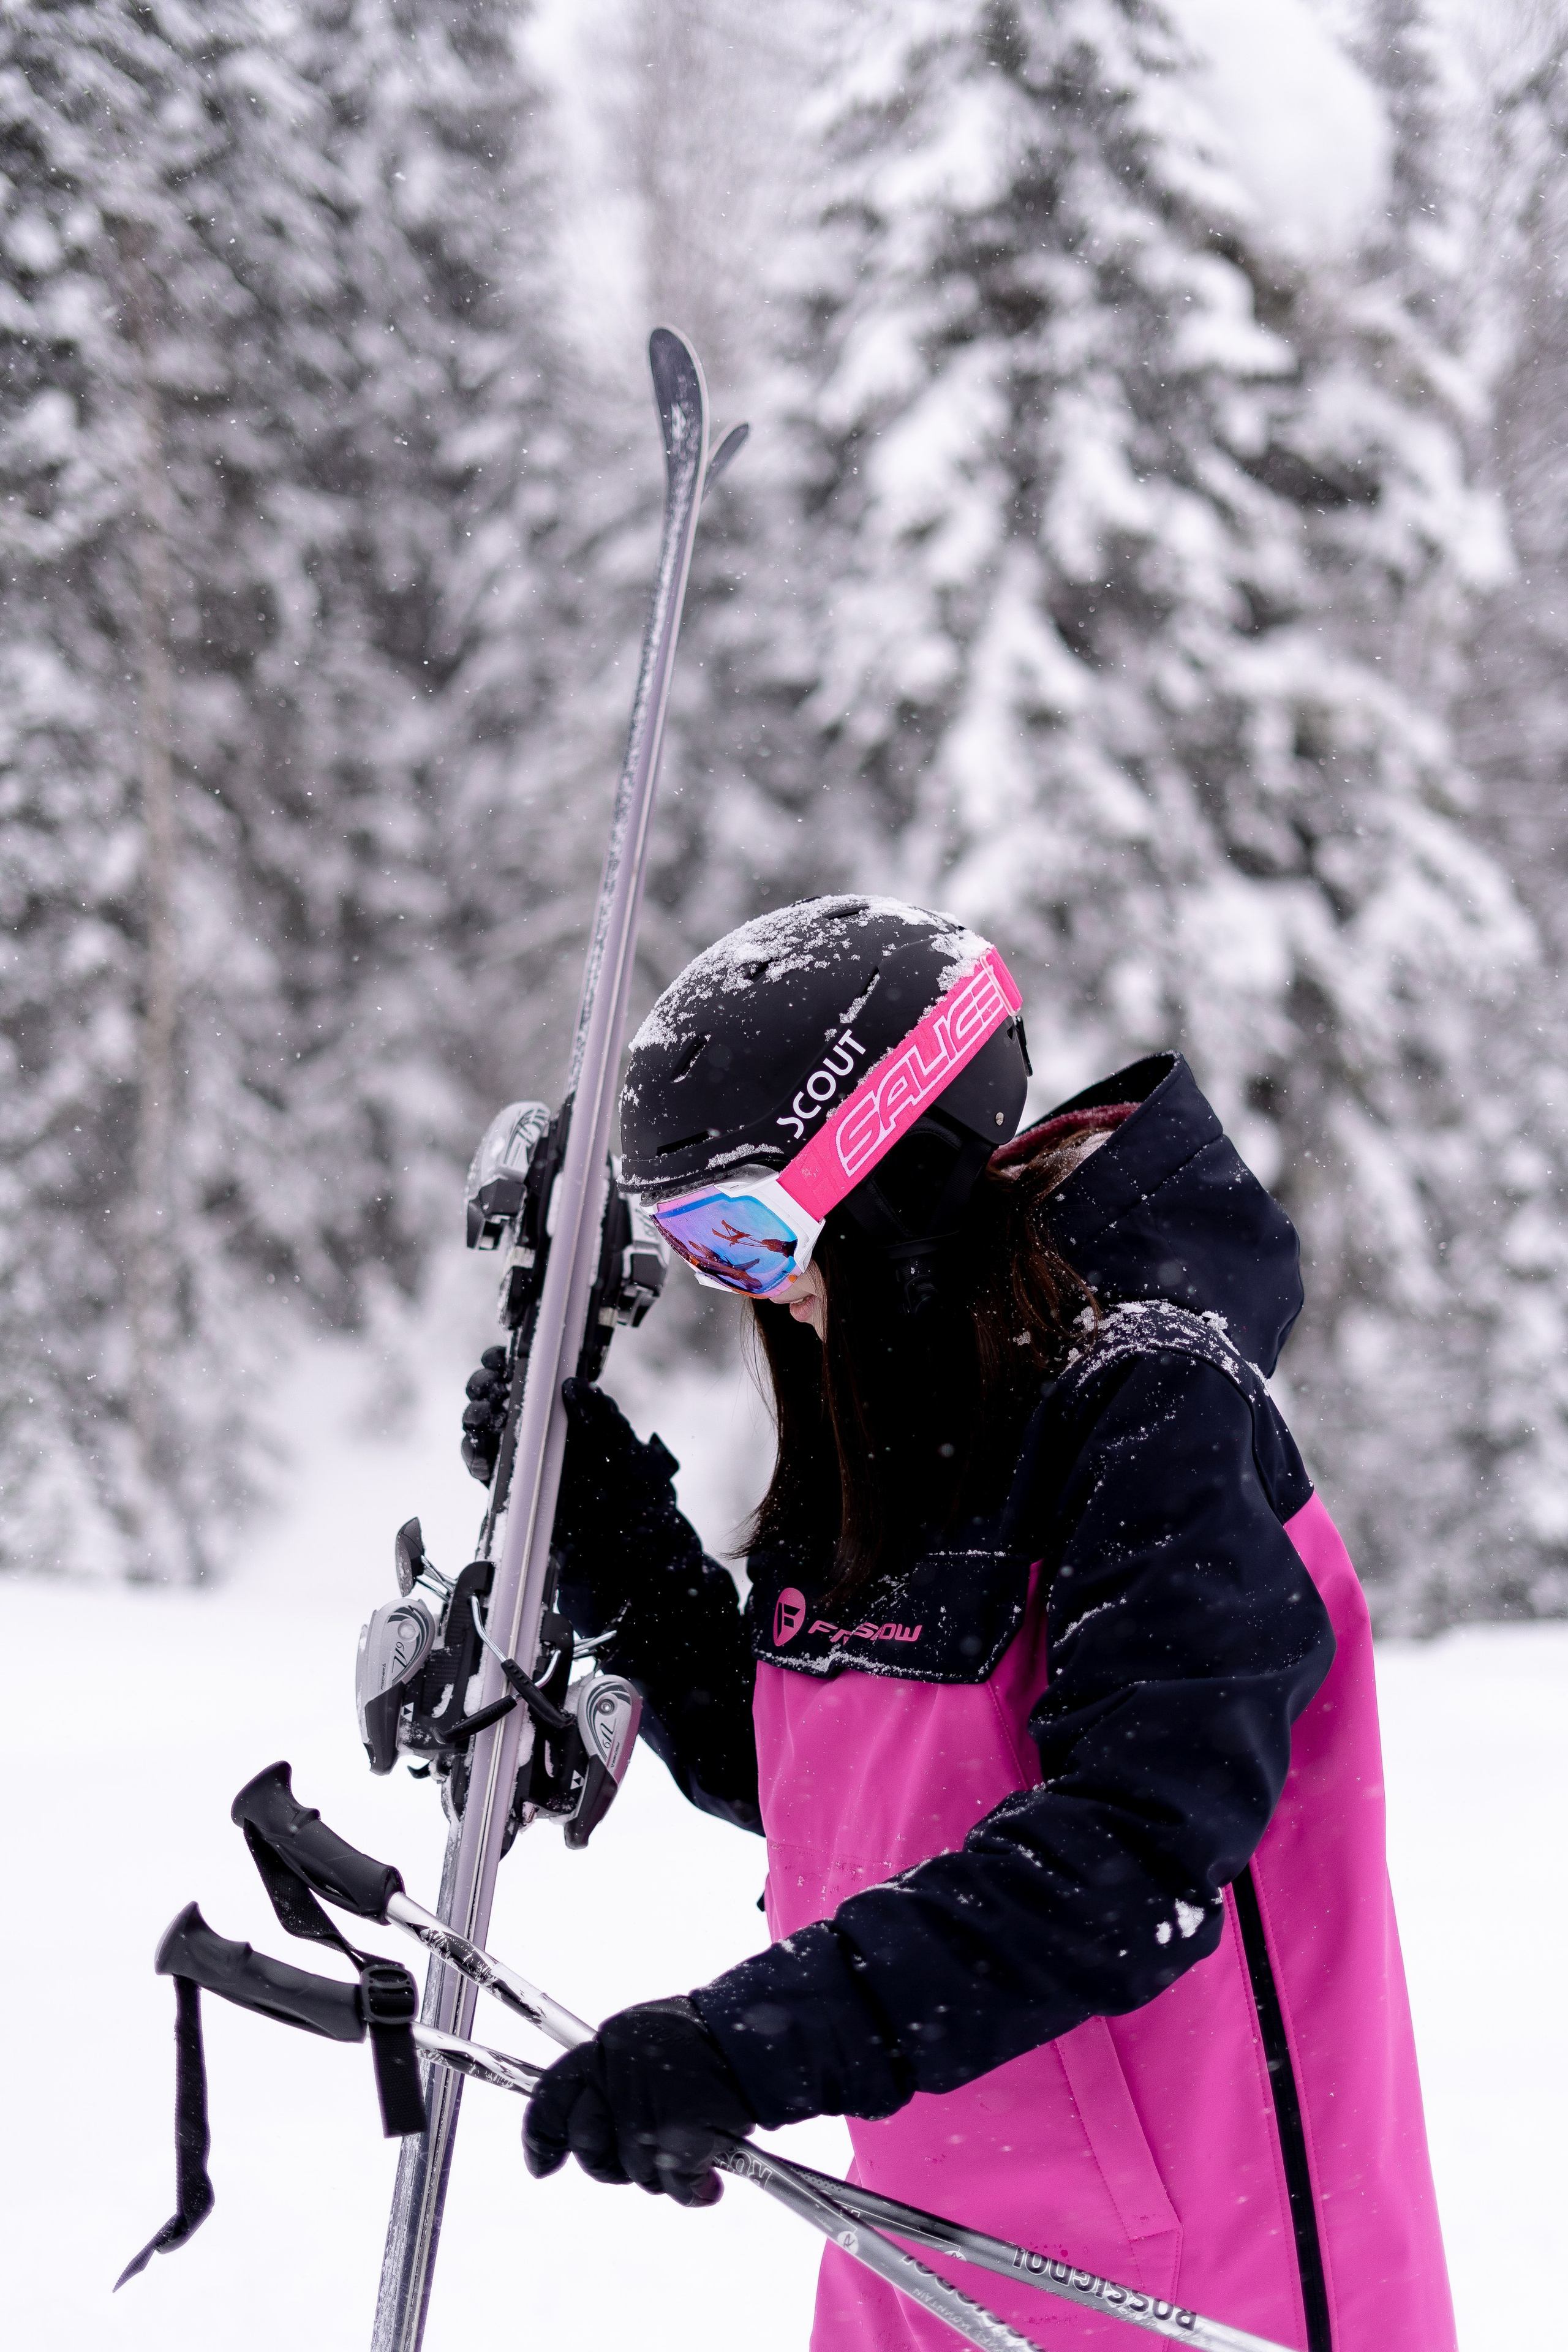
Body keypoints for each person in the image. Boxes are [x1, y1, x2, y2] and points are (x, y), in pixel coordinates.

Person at [466, 895, 1455, 2352]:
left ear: (889, 1177)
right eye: (692, 1246)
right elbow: (823, 1780)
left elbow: (1132, 1853)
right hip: (924, 2263)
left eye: (746, 1229)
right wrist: (613, 1544)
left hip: (1184, 2288)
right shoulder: (890, 1397)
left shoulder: (1149, 1406)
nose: (747, 1288)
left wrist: (753, 2044)